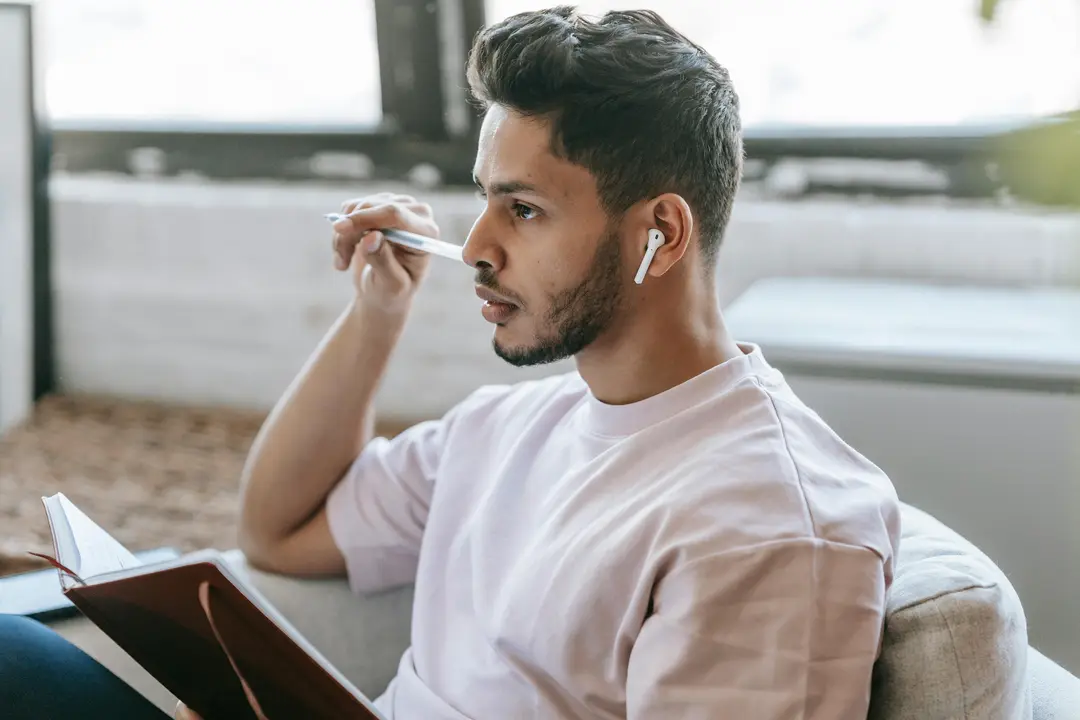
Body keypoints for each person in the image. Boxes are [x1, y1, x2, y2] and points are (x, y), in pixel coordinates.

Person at [0, 6, 900, 719]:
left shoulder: (771, 526)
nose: (475, 246)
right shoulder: (512, 426)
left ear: (658, 234)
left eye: (525, 210)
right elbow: (278, 528)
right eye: (485, 201)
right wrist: (376, 315)